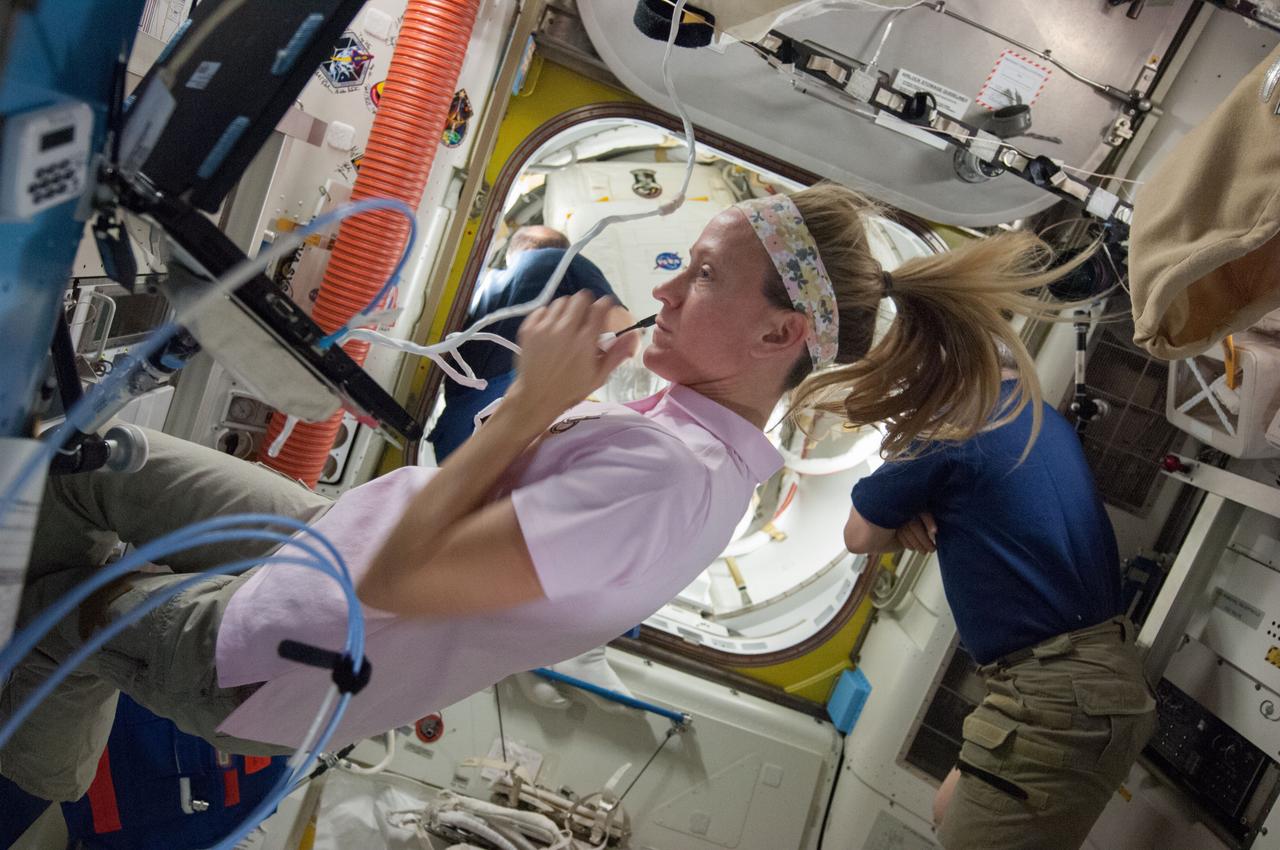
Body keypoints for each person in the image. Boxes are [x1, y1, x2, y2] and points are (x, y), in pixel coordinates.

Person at [3, 184, 1084, 804]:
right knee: (88, 466)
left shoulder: (666, 483)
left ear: (776, 333)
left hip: (274, 649)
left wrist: (527, 405)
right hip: (321, 550)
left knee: (63, 593)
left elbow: (402, 574)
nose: (662, 287)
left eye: (700, 273)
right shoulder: (684, 436)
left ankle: (33, 776)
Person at [843, 341, 1156, 850]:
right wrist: (917, 515)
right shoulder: (1041, 421)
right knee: (948, 809)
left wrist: (902, 522)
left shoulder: (956, 427)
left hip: (1058, 697)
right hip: (1092, 680)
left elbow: (858, 535)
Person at [427, 225, 632, 461]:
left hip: (456, 424)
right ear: (564, 248)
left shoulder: (483, 283)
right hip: (513, 407)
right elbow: (622, 328)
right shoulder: (565, 260)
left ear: (511, 253)